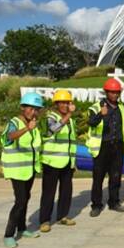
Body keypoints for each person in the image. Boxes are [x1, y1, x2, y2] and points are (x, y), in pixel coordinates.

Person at [0, 92, 44, 248]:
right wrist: (27, 128)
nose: (34, 112)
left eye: (37, 109)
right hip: (17, 170)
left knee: (25, 198)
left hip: (29, 169)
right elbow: (9, 137)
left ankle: (22, 228)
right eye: (31, 109)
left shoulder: (34, 125)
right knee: (20, 201)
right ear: (22, 108)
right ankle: (8, 234)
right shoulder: (15, 122)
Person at [87, 78, 124, 217]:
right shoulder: (97, 107)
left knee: (115, 176)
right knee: (98, 178)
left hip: (117, 146)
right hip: (102, 146)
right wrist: (101, 114)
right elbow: (91, 122)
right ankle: (96, 205)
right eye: (112, 92)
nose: (114, 95)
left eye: (117, 92)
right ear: (106, 92)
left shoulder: (121, 107)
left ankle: (114, 202)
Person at [39, 89, 78, 233]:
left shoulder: (71, 121)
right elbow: (54, 129)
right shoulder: (51, 117)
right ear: (56, 104)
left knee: (66, 191)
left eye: (67, 102)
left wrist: (73, 161)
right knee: (49, 193)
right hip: (51, 162)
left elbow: (71, 141)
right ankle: (44, 220)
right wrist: (69, 115)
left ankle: (63, 216)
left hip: (67, 161)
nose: (65, 105)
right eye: (61, 102)